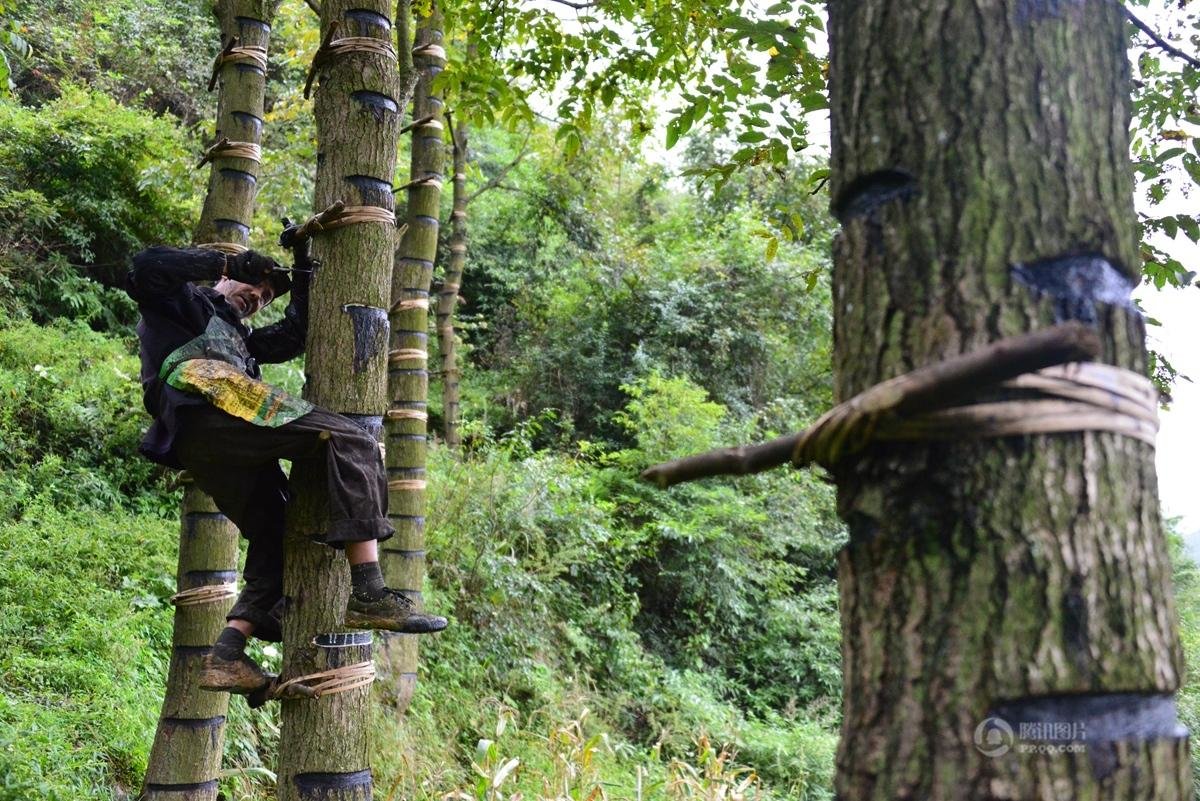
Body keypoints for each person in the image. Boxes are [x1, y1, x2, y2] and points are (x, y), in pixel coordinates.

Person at [125, 230, 446, 698]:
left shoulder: (242, 340)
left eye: (268, 296)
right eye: (255, 288)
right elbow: (146, 265)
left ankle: (228, 653)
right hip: (207, 407)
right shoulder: (180, 304)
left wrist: (303, 263)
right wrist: (228, 266)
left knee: (278, 535)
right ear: (223, 282)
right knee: (352, 438)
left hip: (209, 443)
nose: (259, 298)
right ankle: (370, 589)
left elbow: (294, 335)